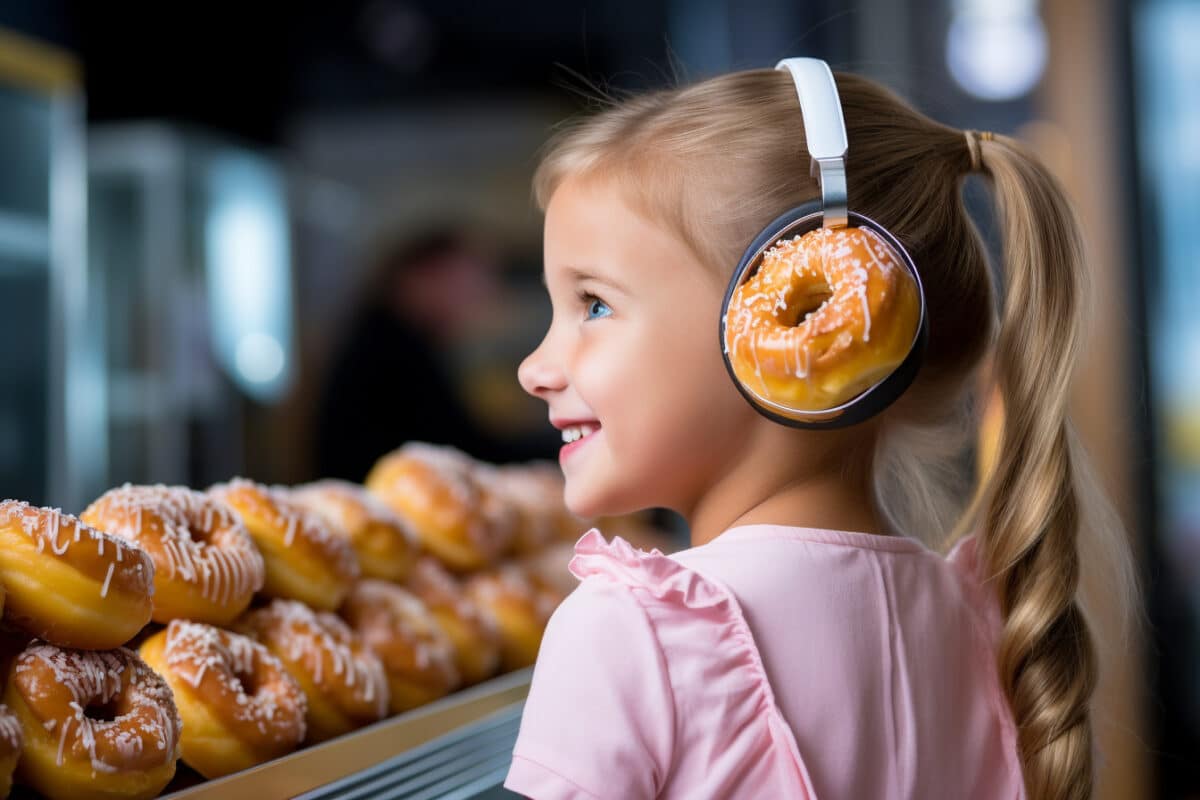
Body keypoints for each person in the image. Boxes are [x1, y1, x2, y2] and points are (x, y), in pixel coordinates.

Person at [504, 61, 1139, 799]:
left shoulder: (629, 633)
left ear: (803, 322)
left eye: (594, 305)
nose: (535, 369)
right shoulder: (995, 631)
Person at [314, 228, 553, 482]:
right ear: (421, 276)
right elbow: (463, 450)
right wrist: (555, 450)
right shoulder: (394, 349)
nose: (478, 299)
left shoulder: (388, 336)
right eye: (466, 284)